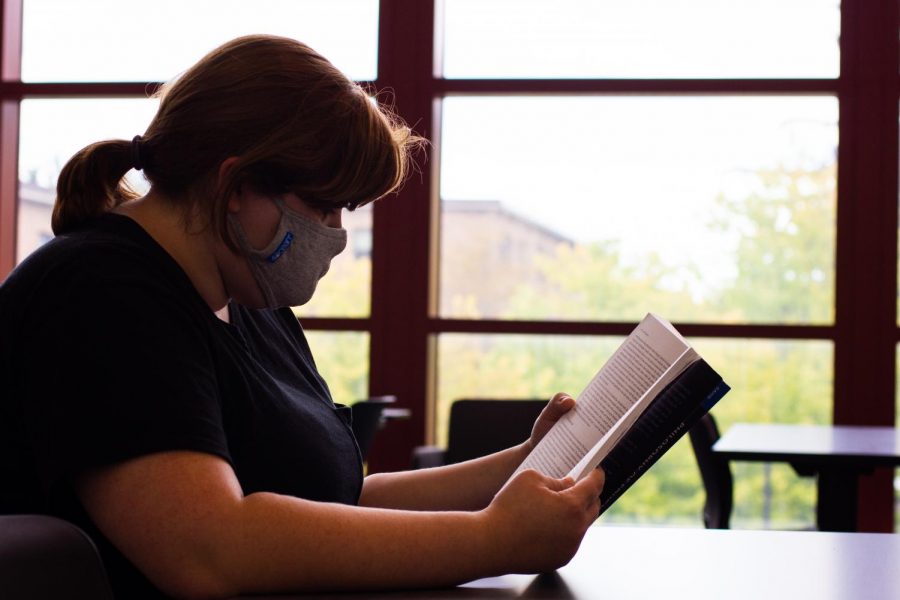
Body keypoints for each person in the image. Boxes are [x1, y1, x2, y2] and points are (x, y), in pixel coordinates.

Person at [0, 35, 605, 599]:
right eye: (325, 204)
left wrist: (525, 464)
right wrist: (493, 541)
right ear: (235, 184)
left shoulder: (246, 297)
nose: (337, 234)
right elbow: (206, 549)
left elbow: (331, 506)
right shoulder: (101, 293)